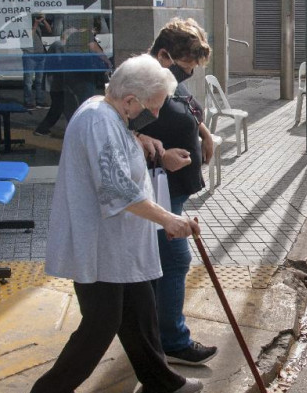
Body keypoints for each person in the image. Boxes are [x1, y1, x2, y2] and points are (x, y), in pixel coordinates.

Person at [26, 54, 203, 393]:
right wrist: (168, 219)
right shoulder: (97, 120)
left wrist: (143, 142)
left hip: (117, 244)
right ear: (130, 100)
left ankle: (159, 381)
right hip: (99, 245)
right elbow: (117, 189)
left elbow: (116, 157)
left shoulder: (108, 113)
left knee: (140, 310)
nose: (153, 115)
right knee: (102, 321)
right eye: (150, 108)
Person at [137, 17, 217, 366]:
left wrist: (203, 132)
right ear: (165, 54)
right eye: (185, 66)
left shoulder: (167, 77)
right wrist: (157, 151)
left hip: (174, 187)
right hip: (157, 186)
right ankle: (172, 340)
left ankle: (157, 334)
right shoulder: (140, 80)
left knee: (166, 262)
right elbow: (119, 127)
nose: (187, 74)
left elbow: (182, 104)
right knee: (174, 260)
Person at [23, 13, 51, 109]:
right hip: (29, 55)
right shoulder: (24, 27)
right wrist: (35, 24)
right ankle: (28, 101)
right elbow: (29, 37)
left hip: (41, 55)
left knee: (40, 80)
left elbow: (49, 30)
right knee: (28, 81)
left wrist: (44, 21)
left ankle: (40, 100)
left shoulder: (39, 26)